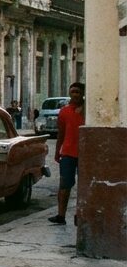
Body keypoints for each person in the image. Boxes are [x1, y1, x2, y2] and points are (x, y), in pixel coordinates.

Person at [51, 81, 85, 225]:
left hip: (84, 153)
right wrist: (57, 151)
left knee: (83, 186)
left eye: (78, 92)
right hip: (68, 153)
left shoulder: (87, 110)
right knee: (64, 185)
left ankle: (80, 215)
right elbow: (61, 133)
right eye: (73, 92)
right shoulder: (64, 111)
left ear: (83, 94)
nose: (75, 95)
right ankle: (61, 215)